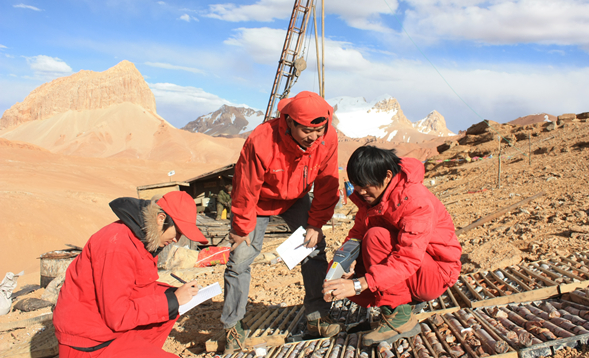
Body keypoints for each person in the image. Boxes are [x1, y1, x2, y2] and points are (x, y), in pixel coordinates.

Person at [222, 91, 340, 353]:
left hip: (296, 198)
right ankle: (233, 327)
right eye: (308, 131)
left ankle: (316, 317)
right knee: (239, 259)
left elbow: (327, 183)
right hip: (259, 202)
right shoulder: (261, 140)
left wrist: (316, 224)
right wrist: (241, 228)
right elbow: (245, 187)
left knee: (314, 249)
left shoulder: (327, 138)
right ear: (289, 122)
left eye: (319, 130)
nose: (314, 137)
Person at [323, 146, 462, 346]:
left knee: (376, 237)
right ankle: (391, 312)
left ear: (387, 176)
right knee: (359, 252)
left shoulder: (414, 200)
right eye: (356, 185)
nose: (361, 192)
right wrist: (337, 271)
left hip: (435, 273)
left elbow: (408, 258)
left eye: (365, 185)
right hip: (414, 270)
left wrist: (358, 284)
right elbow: (354, 238)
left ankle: (401, 316)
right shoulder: (371, 200)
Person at [53, 191, 209, 357]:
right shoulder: (117, 245)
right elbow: (118, 315)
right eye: (177, 231)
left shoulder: (143, 240)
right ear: (161, 218)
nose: (177, 239)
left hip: (109, 336)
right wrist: (172, 301)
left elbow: (138, 288)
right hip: (90, 344)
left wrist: (173, 294)